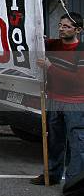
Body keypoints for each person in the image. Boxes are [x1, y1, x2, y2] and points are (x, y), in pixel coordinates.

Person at [31, 12, 84, 186]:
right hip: (53, 100)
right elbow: (33, 41)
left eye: (67, 26)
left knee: (77, 145)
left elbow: (77, 80)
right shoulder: (53, 45)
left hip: (75, 104)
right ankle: (52, 175)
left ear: (78, 30)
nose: (61, 29)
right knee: (54, 141)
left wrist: (50, 67)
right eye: (60, 25)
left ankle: (73, 183)